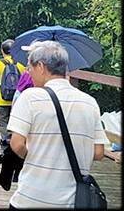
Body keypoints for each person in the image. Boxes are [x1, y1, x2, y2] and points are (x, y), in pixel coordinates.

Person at [7, 40, 109, 209]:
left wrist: (38, 157)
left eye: (29, 67)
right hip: (73, 201)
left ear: (41, 66)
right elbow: (98, 152)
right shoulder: (90, 102)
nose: (28, 72)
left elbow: (17, 144)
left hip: (31, 198)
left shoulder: (30, 97)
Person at [0, 39, 25, 150]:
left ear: (2, 51)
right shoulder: (21, 64)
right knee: (15, 124)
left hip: (1, 99)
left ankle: (5, 145)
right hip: (17, 101)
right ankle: (14, 145)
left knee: (3, 123)